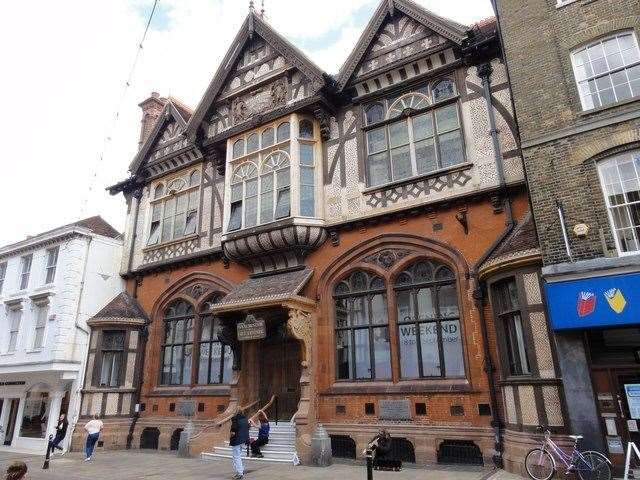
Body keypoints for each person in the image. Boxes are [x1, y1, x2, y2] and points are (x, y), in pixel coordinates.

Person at [229, 407, 249, 480]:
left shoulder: (235, 419)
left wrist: (230, 435)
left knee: (236, 457)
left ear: (236, 412)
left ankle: (240, 473)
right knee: (238, 456)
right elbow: (248, 428)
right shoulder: (245, 419)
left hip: (236, 440)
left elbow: (233, 432)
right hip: (243, 440)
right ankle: (239, 472)